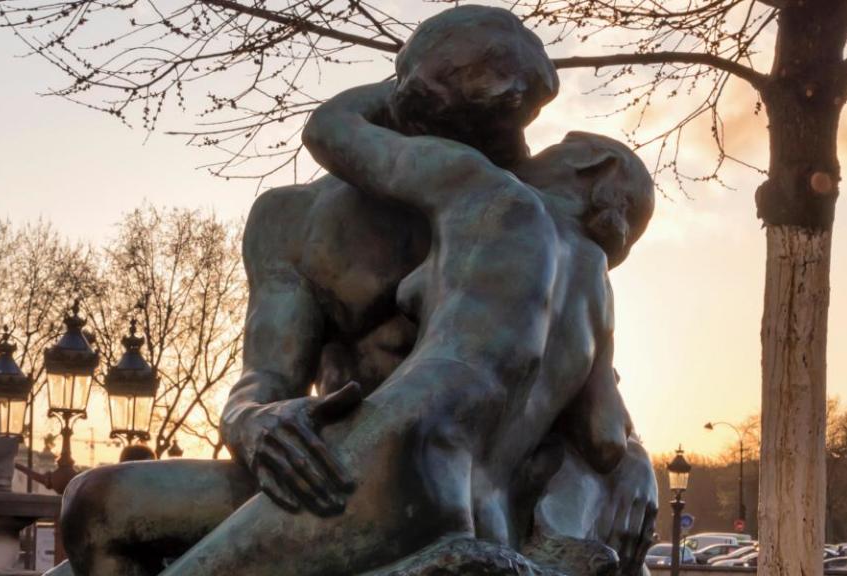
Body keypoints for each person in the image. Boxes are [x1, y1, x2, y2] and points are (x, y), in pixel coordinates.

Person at [55, 6, 657, 575]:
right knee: (99, 503)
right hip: (327, 469)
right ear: (422, 113)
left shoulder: (503, 206)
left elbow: (589, 405)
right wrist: (254, 420)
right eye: (502, 127)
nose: (519, 155)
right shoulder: (297, 221)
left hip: (429, 486)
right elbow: (264, 379)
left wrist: (636, 460)